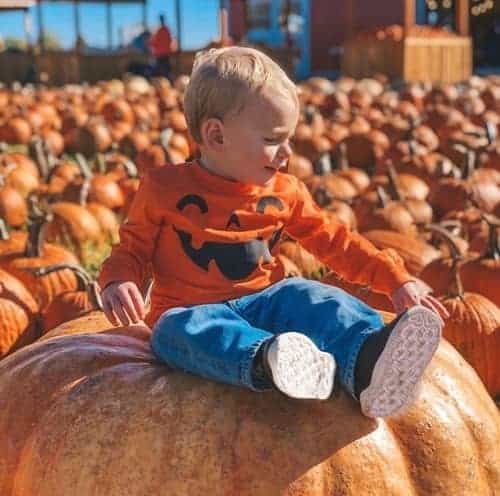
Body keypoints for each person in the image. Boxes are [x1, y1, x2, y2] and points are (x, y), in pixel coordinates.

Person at [99, 46, 449, 419]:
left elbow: (336, 242)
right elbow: (131, 249)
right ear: (216, 136)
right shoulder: (163, 188)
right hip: (193, 311)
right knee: (173, 332)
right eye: (271, 140)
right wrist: (119, 281)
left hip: (269, 300)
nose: (286, 153)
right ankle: (270, 360)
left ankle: (369, 361)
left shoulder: (285, 191)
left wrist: (393, 280)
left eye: (289, 139)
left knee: (315, 297)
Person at [148, 14, 175, 79]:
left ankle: (165, 83)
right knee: (166, 70)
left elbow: (154, 42)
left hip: (160, 55)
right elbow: (170, 40)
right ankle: (168, 82)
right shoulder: (166, 30)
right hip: (165, 54)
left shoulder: (160, 31)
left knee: (161, 71)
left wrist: (149, 42)